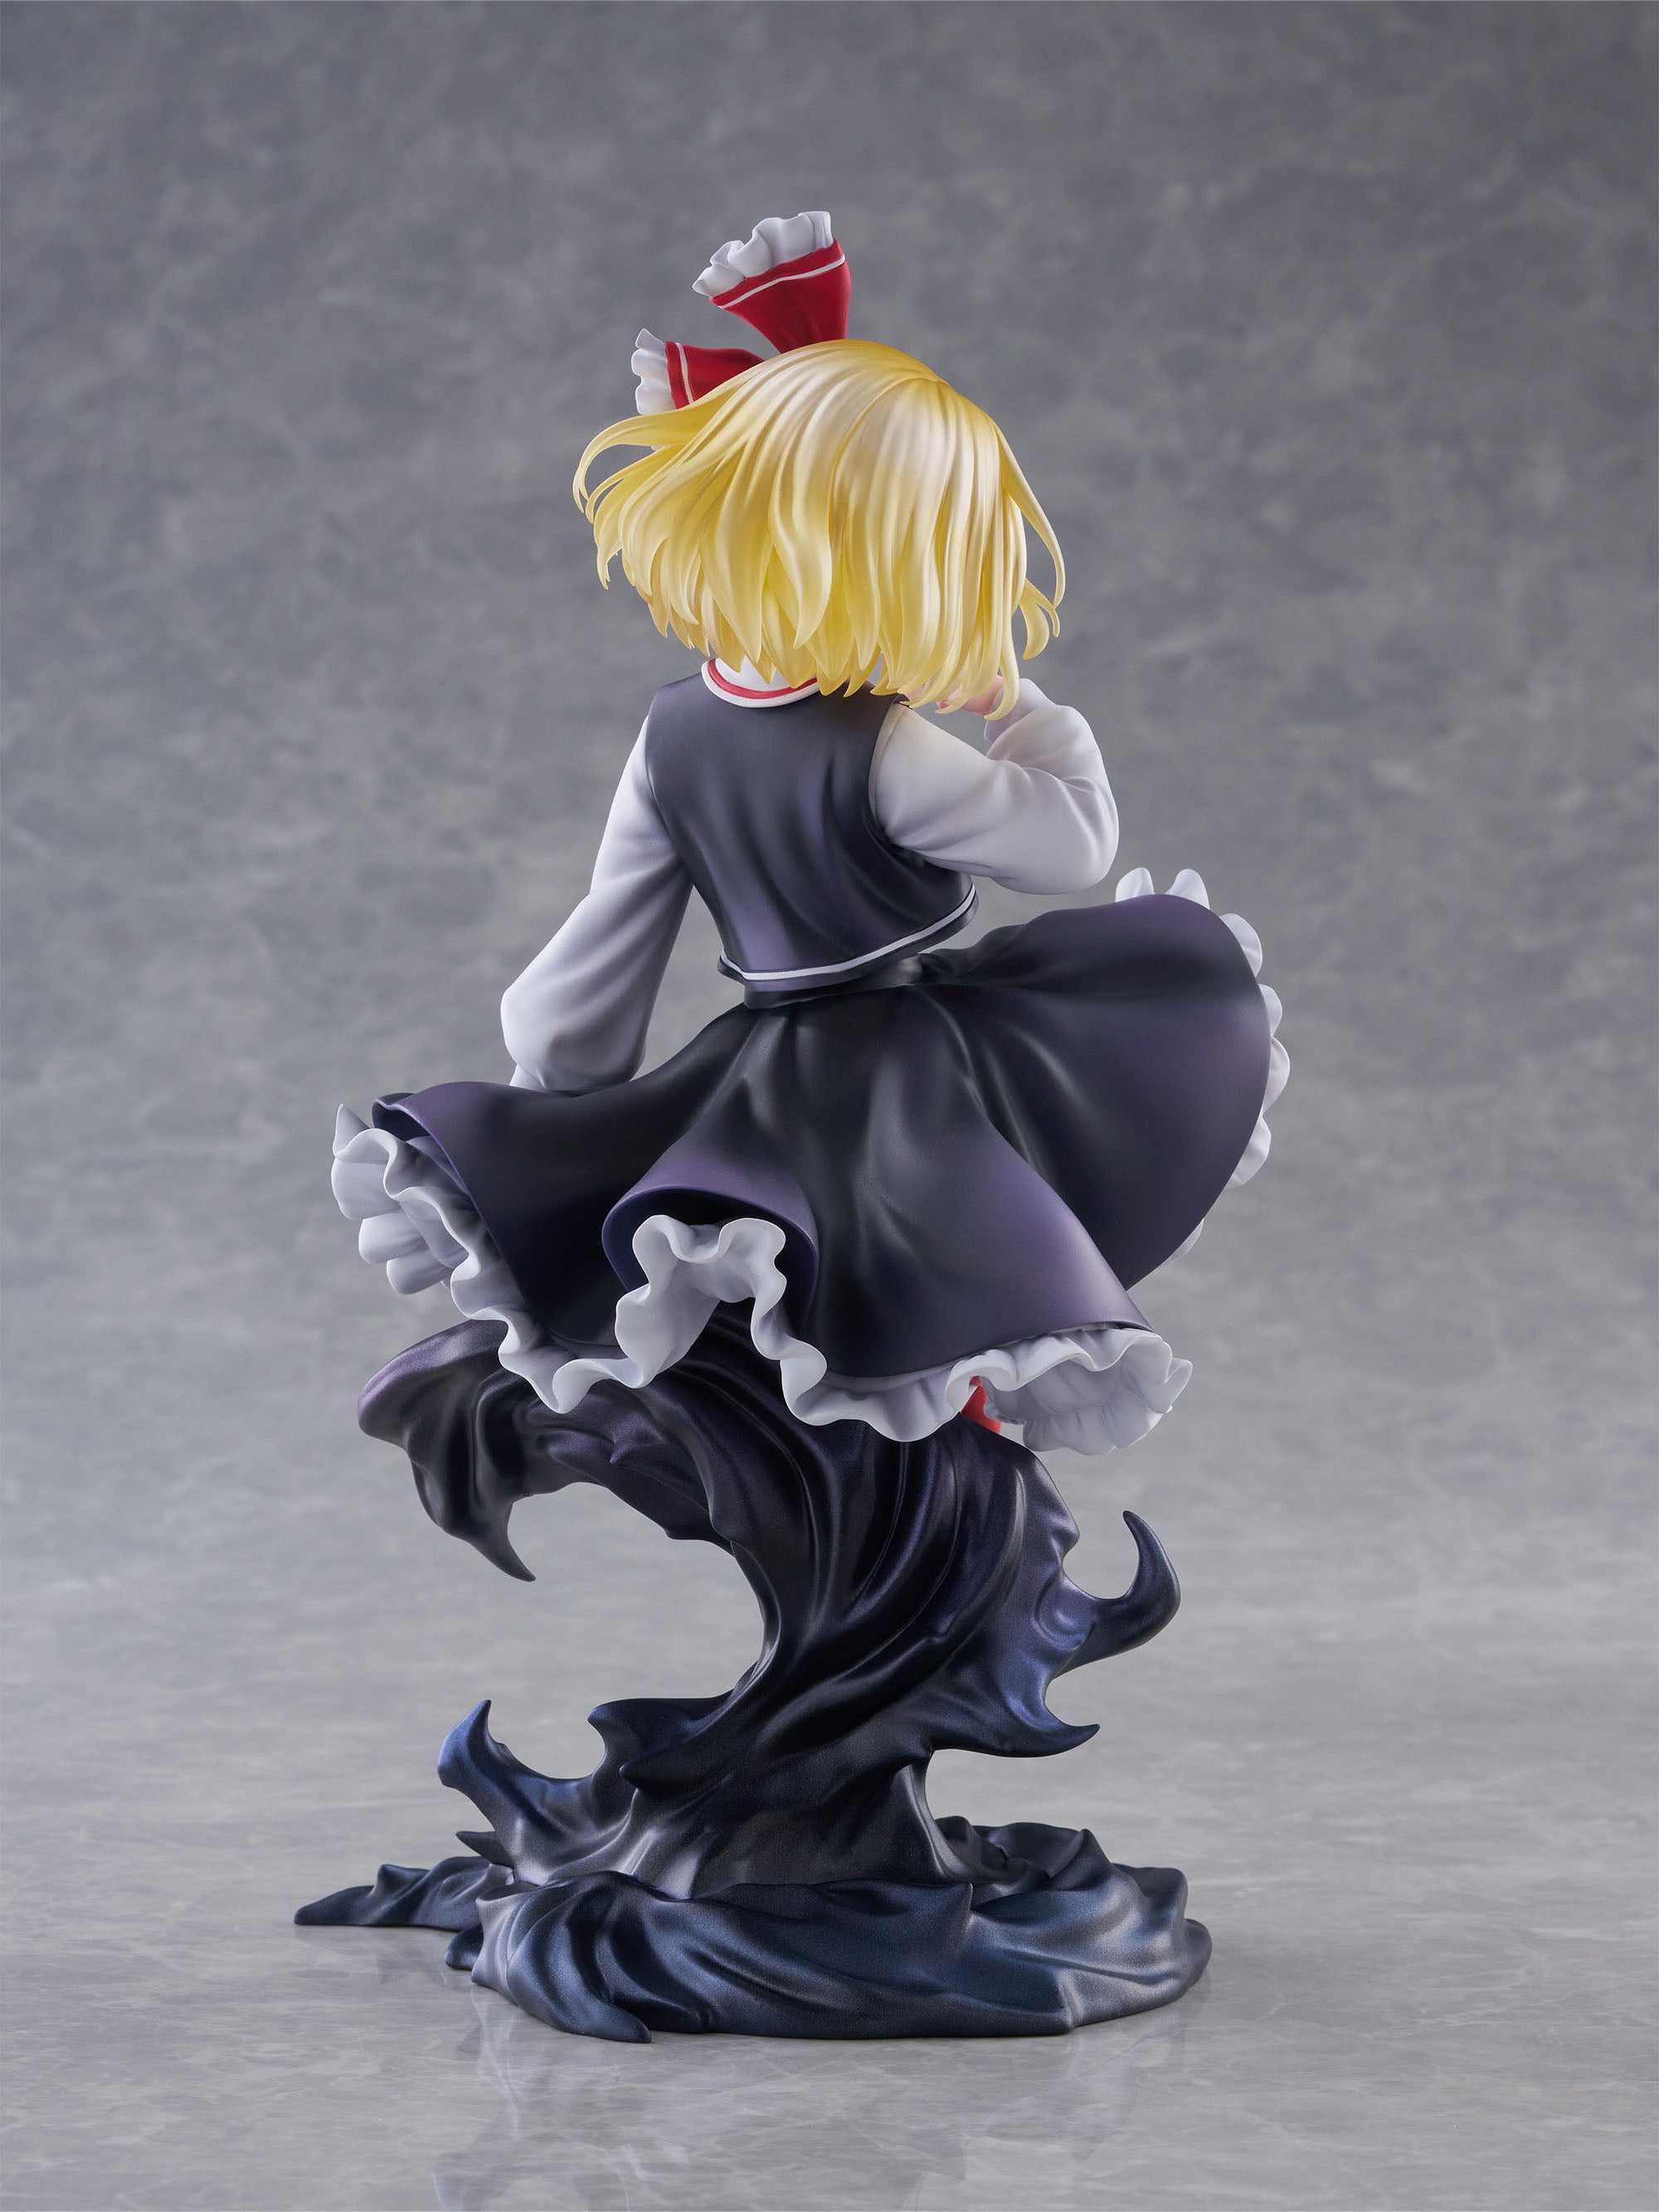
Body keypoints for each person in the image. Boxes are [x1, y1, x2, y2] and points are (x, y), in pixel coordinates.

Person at [331, 212, 1286, 1456]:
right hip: (914, 1073)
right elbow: (1071, 849)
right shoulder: (884, 745)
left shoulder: (672, 731)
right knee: (955, 1274)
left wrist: (549, 1098)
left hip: (759, 1072)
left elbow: (604, 945)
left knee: (860, 1291)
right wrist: (1019, 707)